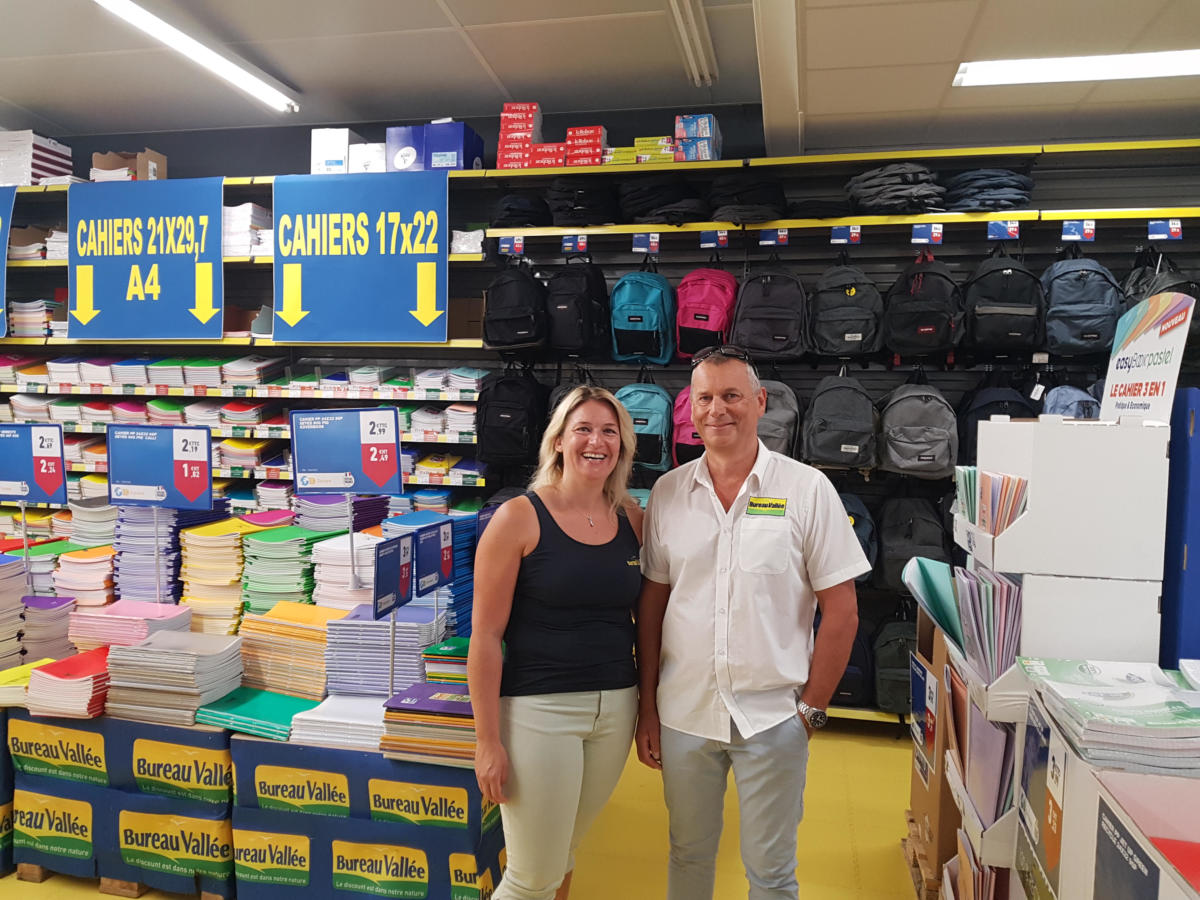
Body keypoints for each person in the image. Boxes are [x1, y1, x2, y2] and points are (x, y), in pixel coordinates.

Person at [635, 345, 871, 900]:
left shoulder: (807, 490)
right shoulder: (669, 494)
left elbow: (843, 611)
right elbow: (652, 606)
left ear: (760, 402)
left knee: (771, 872)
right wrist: (648, 706)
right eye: (706, 397)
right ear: (690, 409)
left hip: (773, 718)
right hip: (685, 715)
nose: (718, 409)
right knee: (688, 856)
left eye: (732, 396)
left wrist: (811, 710)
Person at [468, 385, 645, 900]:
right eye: (583, 429)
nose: (597, 441)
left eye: (609, 431)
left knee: (563, 854)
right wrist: (487, 741)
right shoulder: (519, 517)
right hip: (538, 712)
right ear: (560, 441)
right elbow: (485, 637)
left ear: (623, 446)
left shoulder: (632, 520)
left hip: (615, 709)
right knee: (529, 878)